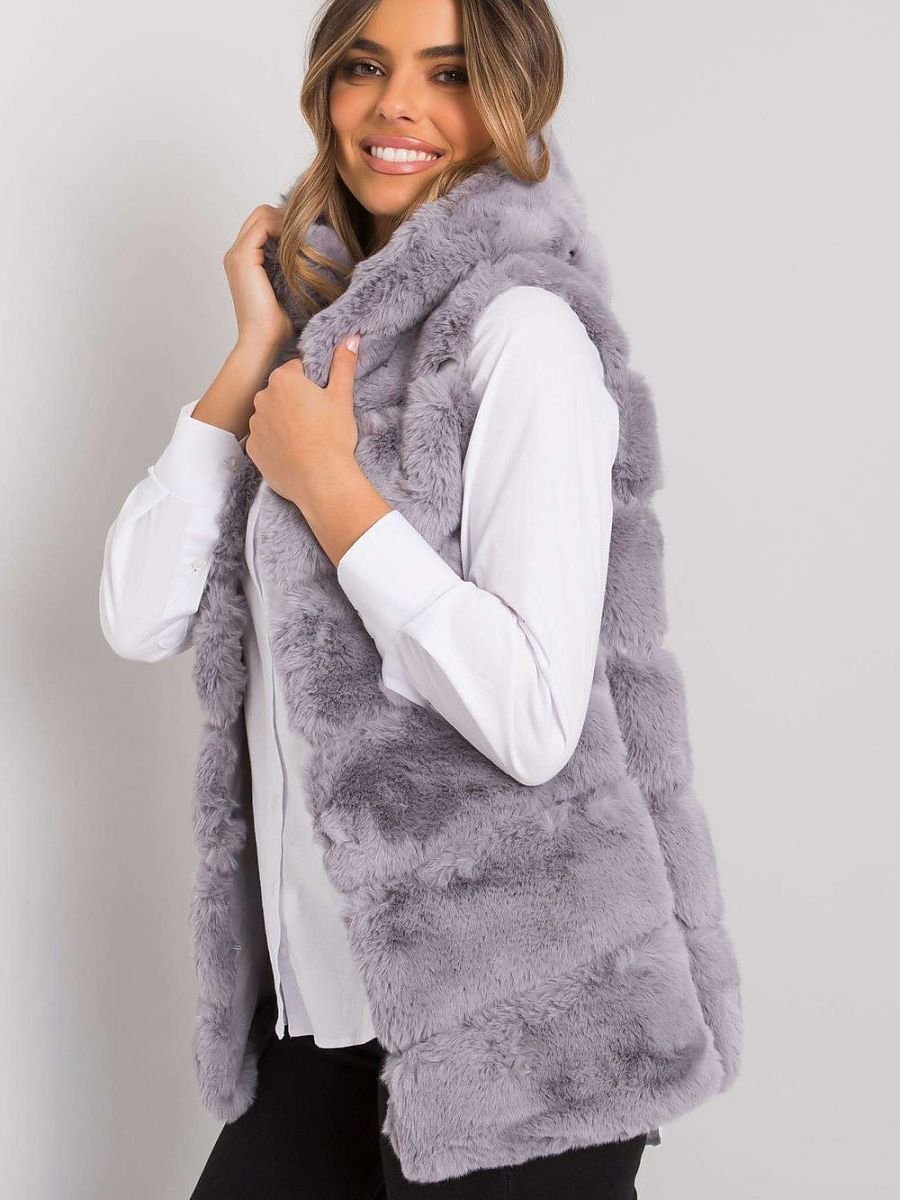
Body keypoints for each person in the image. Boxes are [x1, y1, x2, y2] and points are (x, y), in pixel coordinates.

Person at [101, 0, 742, 1195]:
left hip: (521, 1043)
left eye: (448, 74)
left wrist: (335, 493)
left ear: (512, 99)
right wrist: (251, 352)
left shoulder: (522, 337)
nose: (396, 104)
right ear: (326, 90)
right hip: (333, 1029)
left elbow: (533, 719)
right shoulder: (315, 356)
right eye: (365, 66)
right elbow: (139, 617)